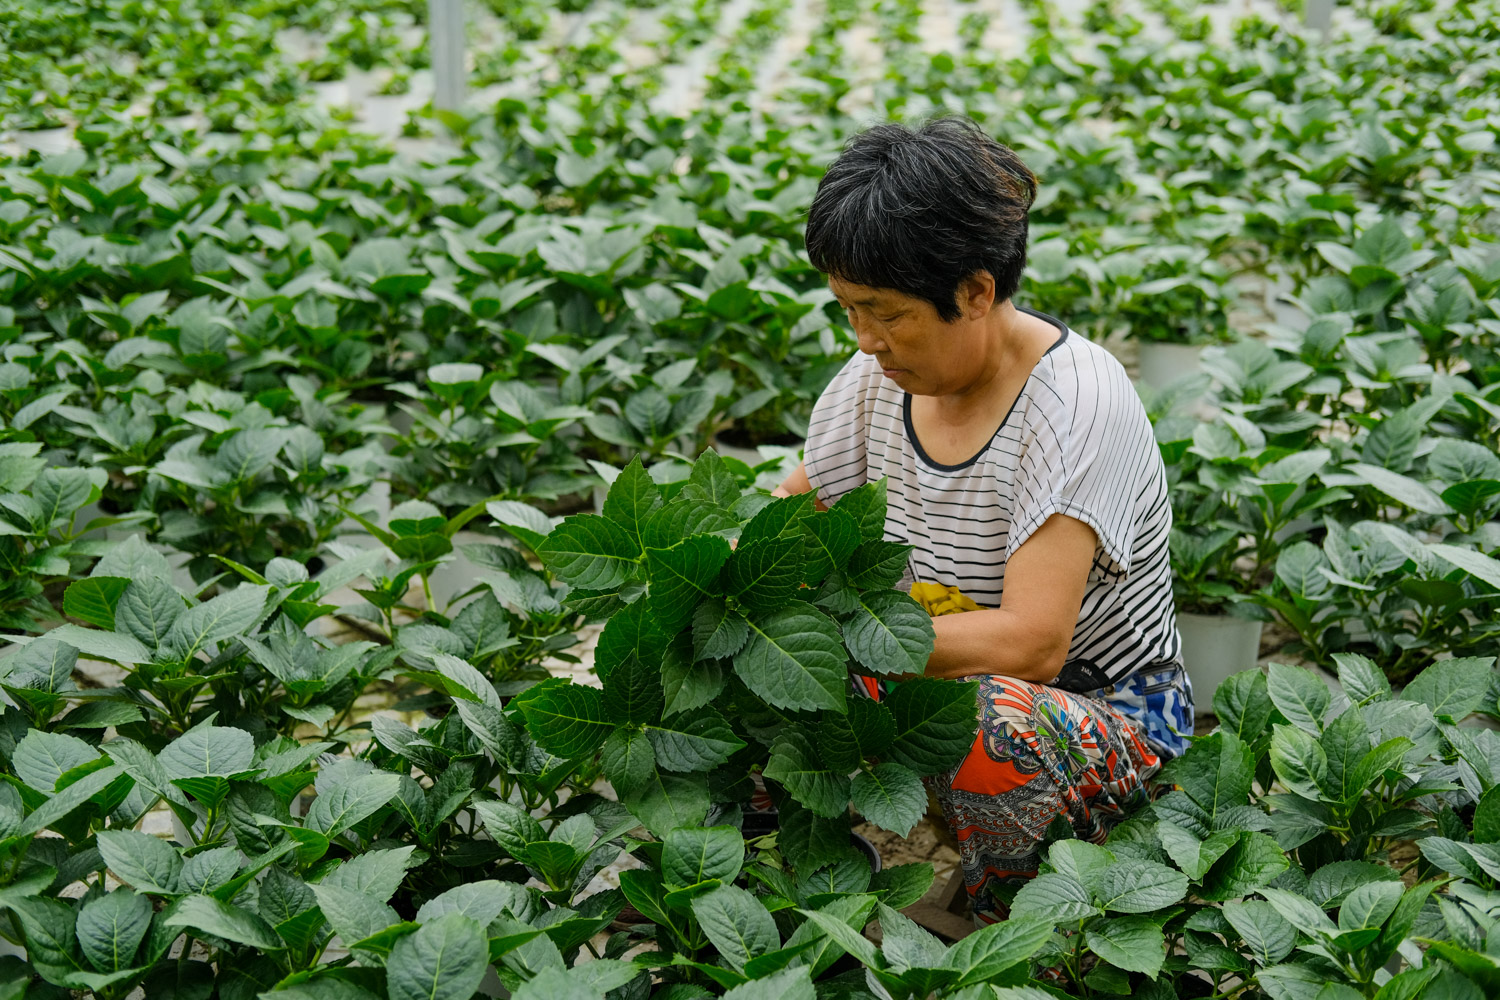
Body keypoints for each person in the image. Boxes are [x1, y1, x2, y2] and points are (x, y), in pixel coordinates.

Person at [769, 116, 1194, 926]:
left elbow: (1033, 644)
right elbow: (789, 522)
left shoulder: (1075, 402)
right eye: (849, 311)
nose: (865, 341)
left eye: (886, 313)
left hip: (1094, 713)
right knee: (753, 667)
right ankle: (808, 892)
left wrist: (832, 639)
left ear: (975, 291)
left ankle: (1011, 930)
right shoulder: (874, 383)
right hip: (929, 675)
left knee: (985, 723)